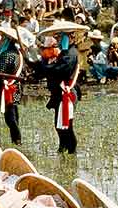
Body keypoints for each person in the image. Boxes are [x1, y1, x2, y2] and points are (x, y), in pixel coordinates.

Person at [35, 20, 84, 155]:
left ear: (70, 37)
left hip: (67, 92)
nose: (58, 39)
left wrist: (45, 65)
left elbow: (59, 71)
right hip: (58, 93)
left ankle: (72, 151)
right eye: (57, 37)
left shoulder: (71, 53)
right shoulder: (61, 53)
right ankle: (62, 148)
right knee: (59, 126)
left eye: (61, 37)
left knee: (66, 126)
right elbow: (44, 70)